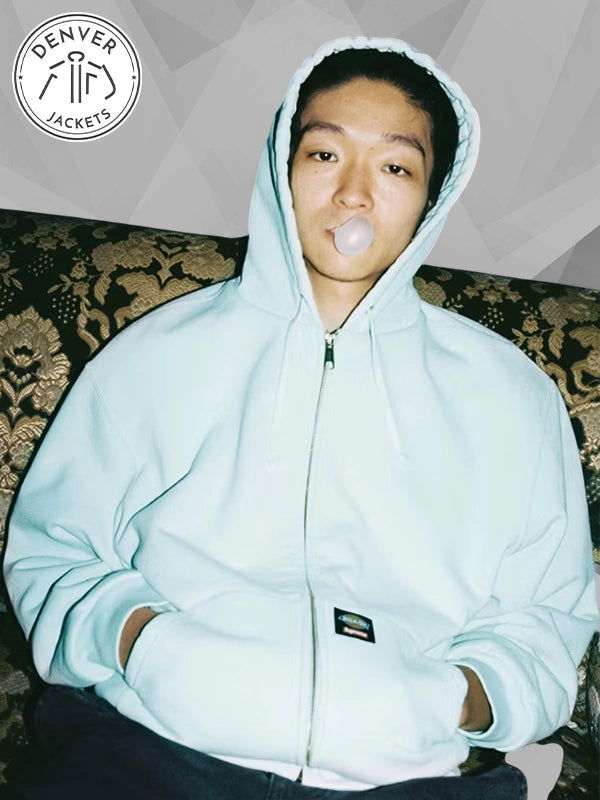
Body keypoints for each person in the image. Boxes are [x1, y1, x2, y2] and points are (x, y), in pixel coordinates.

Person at [1, 36, 598, 799]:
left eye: (395, 166)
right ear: (282, 167)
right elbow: (56, 549)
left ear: (432, 196)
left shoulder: (512, 395)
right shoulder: (155, 354)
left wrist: (453, 698)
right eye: (324, 154)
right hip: (153, 748)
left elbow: (545, 615)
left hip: (406, 779)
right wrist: (148, 643)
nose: (353, 194)